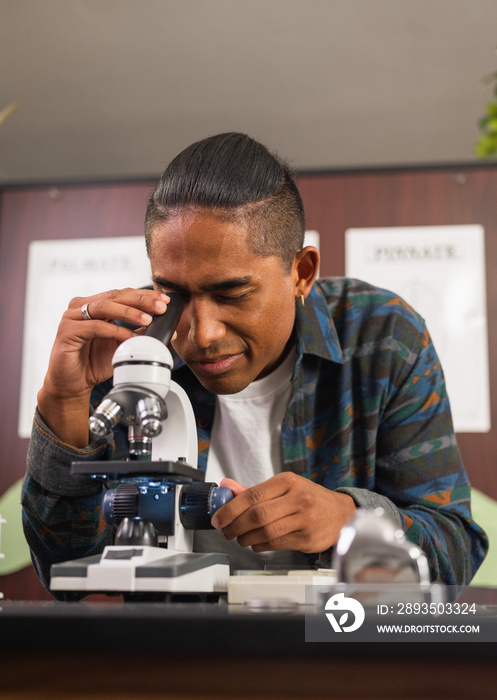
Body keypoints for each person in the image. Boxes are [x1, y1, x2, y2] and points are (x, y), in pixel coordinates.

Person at [22, 132, 487, 594]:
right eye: (176, 293)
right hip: (174, 657)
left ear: (301, 273)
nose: (202, 333)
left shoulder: (383, 338)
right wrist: (64, 402)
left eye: (232, 295)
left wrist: (349, 521)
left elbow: (454, 552)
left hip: (340, 649)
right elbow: (66, 569)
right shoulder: (131, 350)